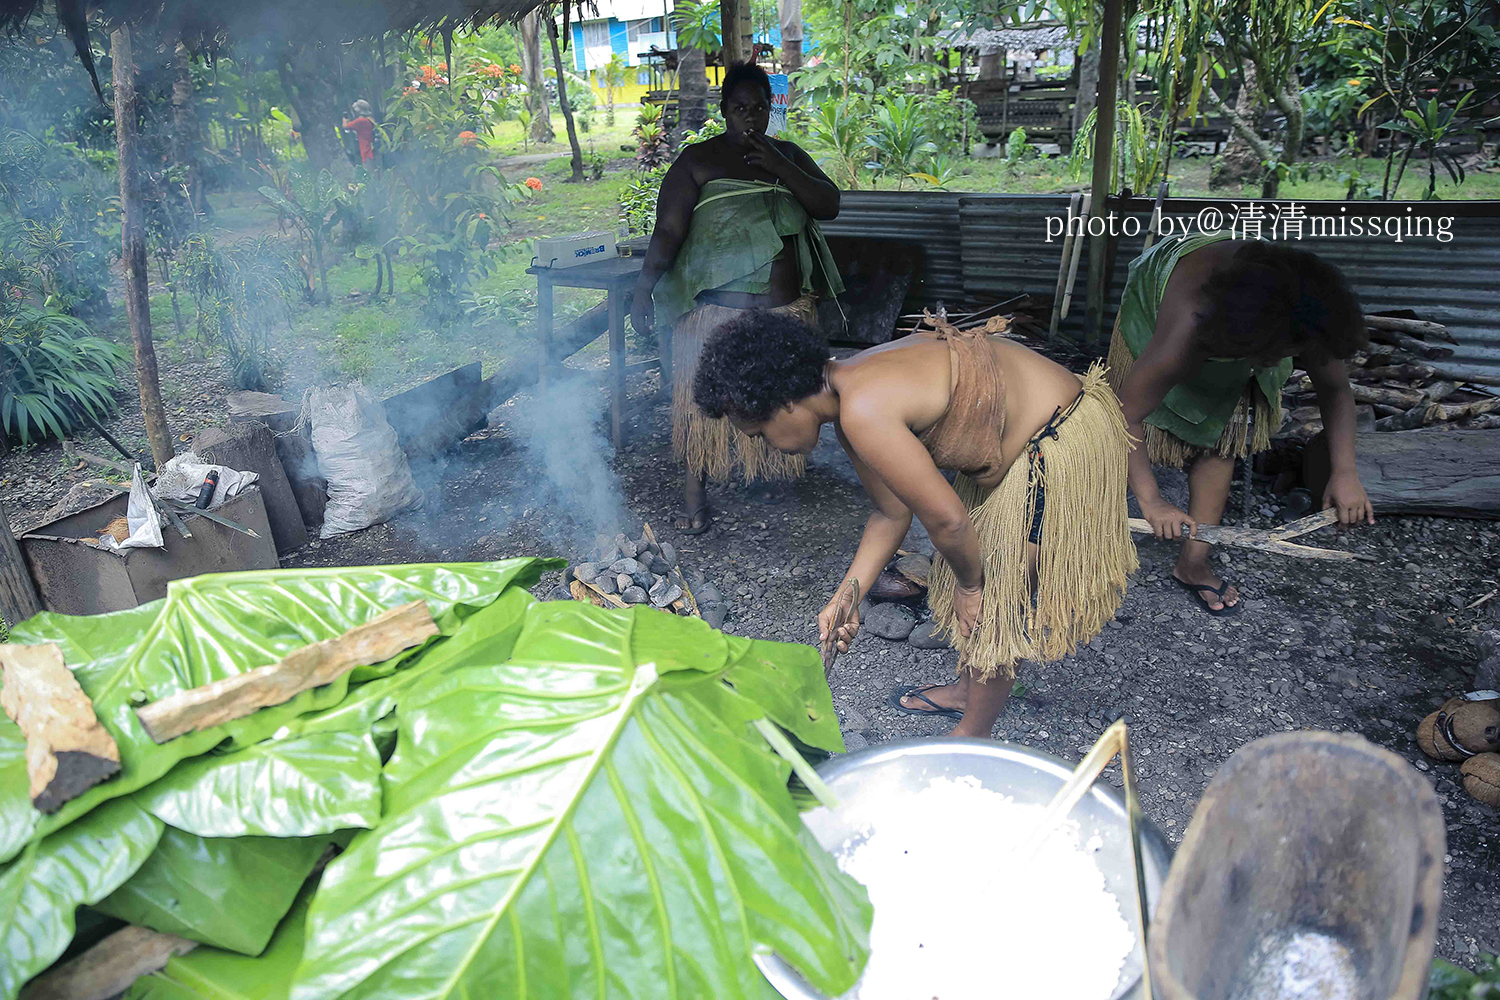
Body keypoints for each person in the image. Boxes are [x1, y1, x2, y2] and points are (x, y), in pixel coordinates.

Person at [692, 310, 1137, 738]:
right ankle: (968, 692)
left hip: (1056, 437)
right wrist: (848, 596)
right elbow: (891, 512)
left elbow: (947, 520)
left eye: (759, 433)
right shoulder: (849, 395)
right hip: (1024, 435)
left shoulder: (863, 408)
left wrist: (970, 586)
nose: (767, 446)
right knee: (978, 564)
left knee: (996, 594)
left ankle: (972, 736)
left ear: (784, 401)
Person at [1107, 231, 1374, 615]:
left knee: (1222, 443)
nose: (1281, 364)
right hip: (1170, 292)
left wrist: (1345, 472)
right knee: (1129, 412)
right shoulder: (1185, 329)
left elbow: (1335, 391)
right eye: (1279, 356)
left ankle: (1192, 564)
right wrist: (1152, 501)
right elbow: (1125, 416)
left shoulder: (1307, 312)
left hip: (1253, 316)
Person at [630, 61, 843, 535]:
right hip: (716, 314)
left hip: (784, 312)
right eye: (741, 108)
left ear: (771, 110)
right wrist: (642, 290)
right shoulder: (697, 161)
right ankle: (694, 495)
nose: (751, 117)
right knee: (701, 405)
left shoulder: (789, 155)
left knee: (783, 397)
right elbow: (668, 231)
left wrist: (780, 166)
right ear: (724, 110)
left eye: (760, 108)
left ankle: (769, 475)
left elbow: (828, 205)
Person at [342, 100, 377, 166]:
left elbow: (346, 126)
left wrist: (344, 119)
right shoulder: (370, 119)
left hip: (365, 150)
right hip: (371, 148)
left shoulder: (360, 121)